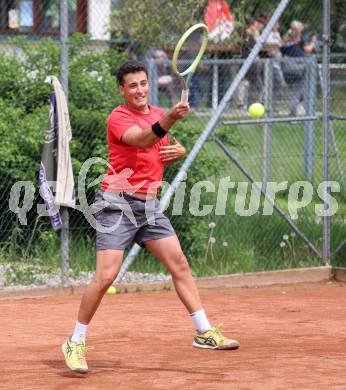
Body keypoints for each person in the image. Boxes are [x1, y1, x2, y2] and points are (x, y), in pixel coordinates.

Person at [61, 60, 240, 374]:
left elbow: (162, 147)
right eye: (132, 85)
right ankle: (74, 341)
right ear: (122, 90)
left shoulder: (158, 114)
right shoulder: (118, 117)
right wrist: (171, 117)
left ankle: (203, 331)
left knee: (179, 263)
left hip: (150, 207)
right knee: (105, 277)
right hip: (116, 205)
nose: (140, 90)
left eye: (143, 83)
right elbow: (143, 139)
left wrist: (178, 150)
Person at [281, 20, 317, 116]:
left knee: (301, 89)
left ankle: (305, 110)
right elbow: (308, 50)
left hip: (290, 66)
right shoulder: (296, 38)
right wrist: (313, 42)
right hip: (299, 66)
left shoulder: (287, 38)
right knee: (299, 89)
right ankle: (297, 112)